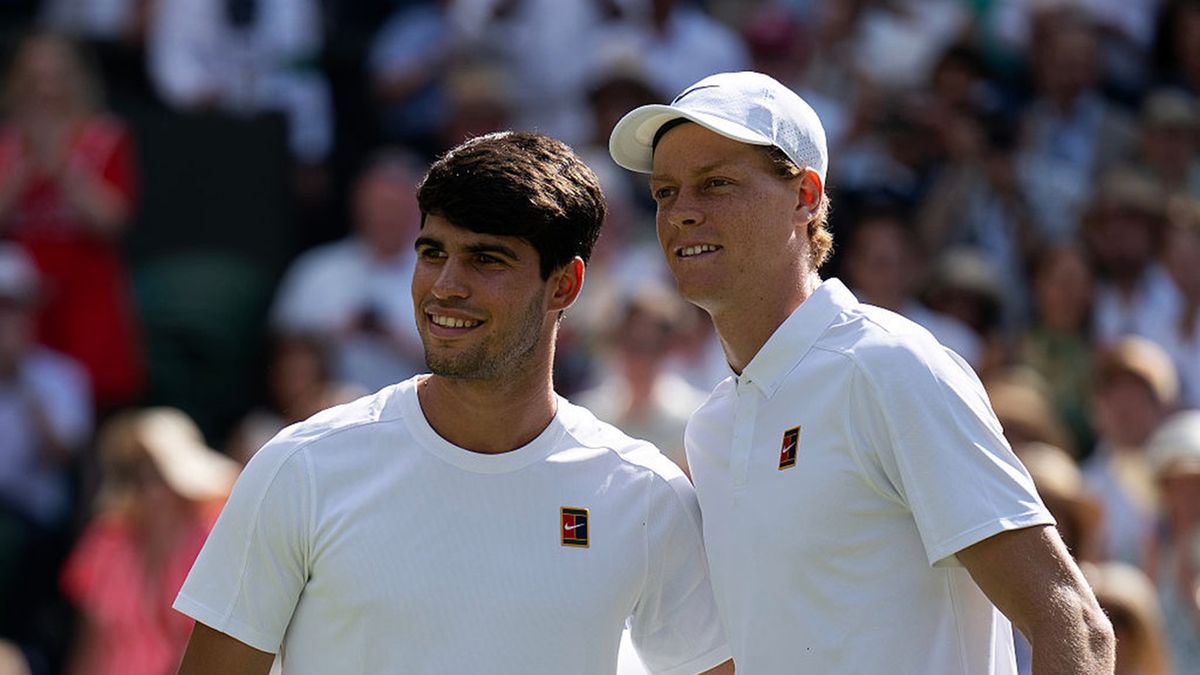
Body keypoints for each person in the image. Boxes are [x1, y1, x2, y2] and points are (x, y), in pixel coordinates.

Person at [609, 70, 1113, 673]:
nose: (682, 213)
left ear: (804, 196)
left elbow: (1074, 627)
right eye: (665, 192)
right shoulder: (711, 426)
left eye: (715, 184)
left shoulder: (889, 366)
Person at [173, 131, 732, 675]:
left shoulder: (647, 497)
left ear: (564, 286)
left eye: (486, 260)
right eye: (432, 252)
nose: (445, 285)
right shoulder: (300, 467)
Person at [61, 407, 238, 675]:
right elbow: (89, 644)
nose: (147, 488)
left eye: (156, 474)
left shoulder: (213, 535)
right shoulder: (105, 540)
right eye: (136, 475)